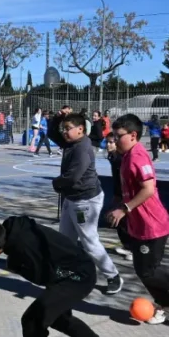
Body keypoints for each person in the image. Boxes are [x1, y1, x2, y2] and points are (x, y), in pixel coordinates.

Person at [106, 114, 169, 324]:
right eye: (113, 136)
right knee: (144, 270)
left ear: (133, 135)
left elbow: (148, 189)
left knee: (149, 271)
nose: (115, 140)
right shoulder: (126, 156)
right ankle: (167, 306)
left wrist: (124, 209)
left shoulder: (138, 157)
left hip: (153, 225)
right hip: (138, 225)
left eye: (118, 136)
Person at [51, 113, 123, 295]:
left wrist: (57, 183)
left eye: (68, 128)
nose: (64, 132)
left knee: (89, 241)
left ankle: (113, 276)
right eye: (64, 129)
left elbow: (74, 176)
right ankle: (69, 272)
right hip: (71, 198)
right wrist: (58, 119)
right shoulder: (71, 142)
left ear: (80, 129)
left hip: (85, 200)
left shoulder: (82, 148)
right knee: (65, 240)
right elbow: (52, 134)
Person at [105, 133, 132, 260]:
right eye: (107, 142)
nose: (108, 145)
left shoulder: (121, 158)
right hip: (119, 192)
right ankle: (128, 247)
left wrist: (122, 195)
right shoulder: (113, 156)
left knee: (123, 221)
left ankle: (131, 249)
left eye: (111, 142)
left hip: (126, 194)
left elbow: (125, 179)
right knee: (120, 222)